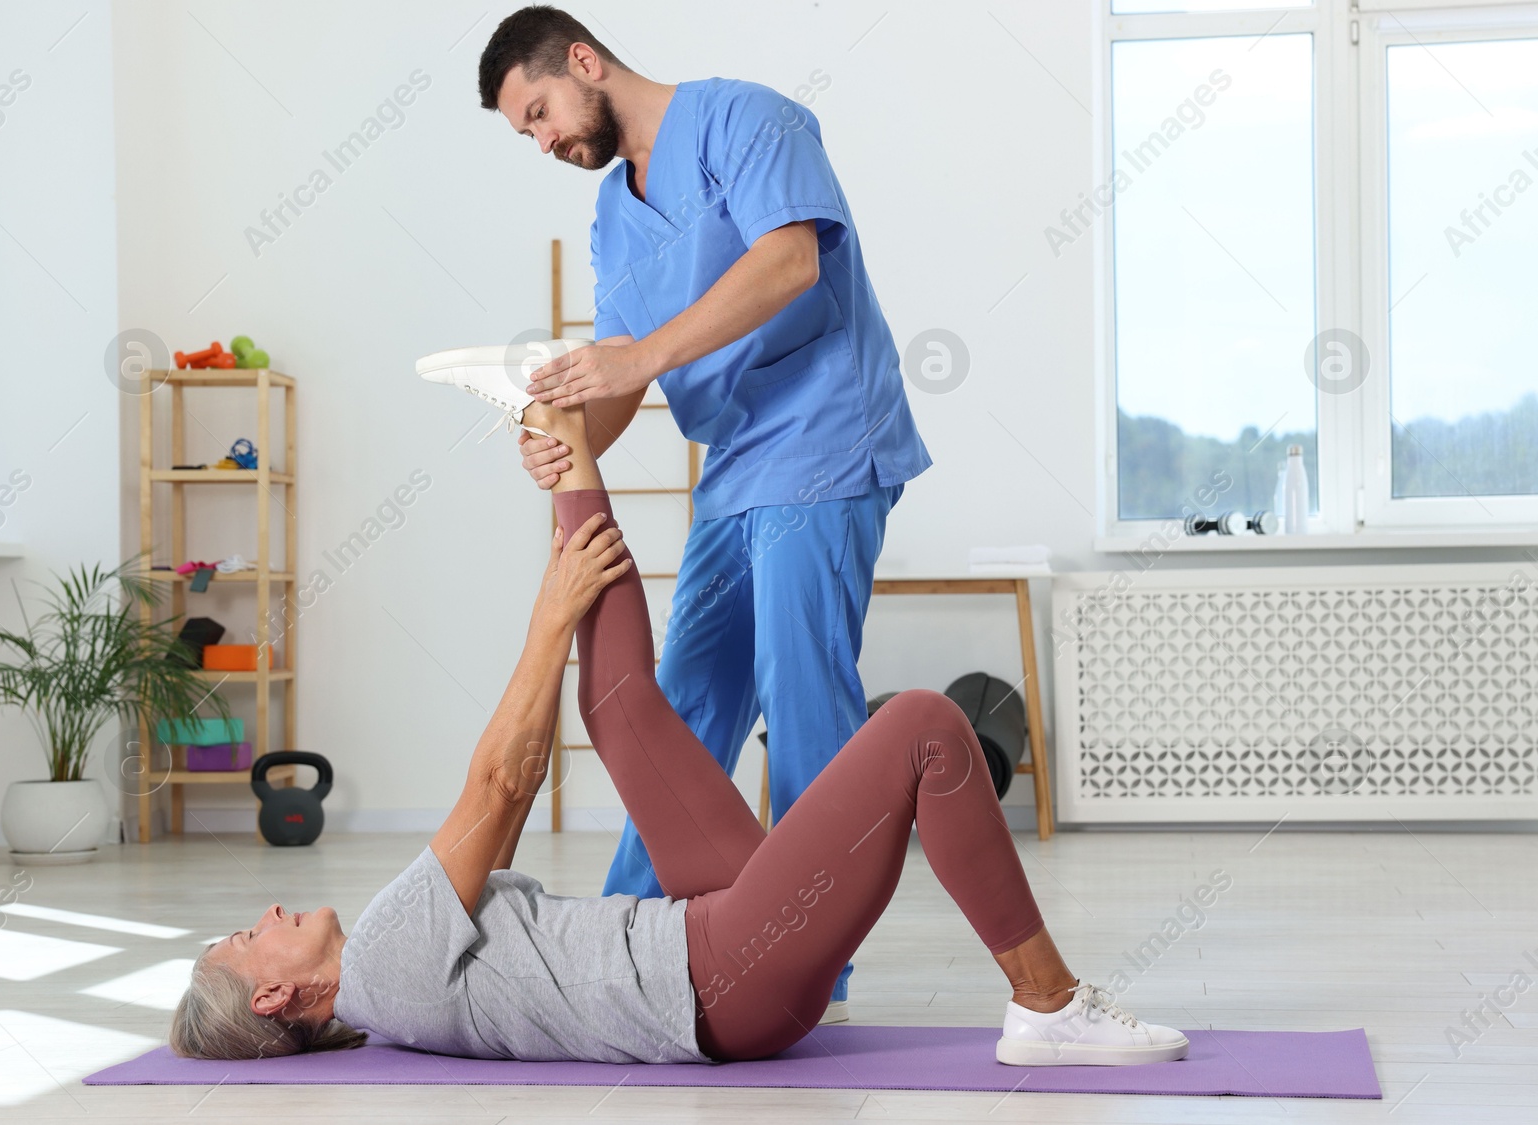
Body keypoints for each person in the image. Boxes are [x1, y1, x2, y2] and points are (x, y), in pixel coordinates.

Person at [171, 400, 1187, 1069]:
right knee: (924, 726)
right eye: (244, 936)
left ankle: (571, 451)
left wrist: (571, 469)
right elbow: (502, 787)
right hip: (720, 976)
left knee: (617, 710)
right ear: (275, 995)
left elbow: (533, 756)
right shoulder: (384, 960)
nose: (261, 911)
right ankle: (1048, 1006)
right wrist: (550, 612)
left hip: (708, 943)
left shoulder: (393, 990)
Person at [479, 4, 935, 1021]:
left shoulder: (746, 122)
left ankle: (818, 957)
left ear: (585, 62)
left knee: (799, 687)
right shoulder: (611, 211)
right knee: (678, 699)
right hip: (735, 463)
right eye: (528, 133)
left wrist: (635, 358)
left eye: (541, 110)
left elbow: (790, 260)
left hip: (824, 432)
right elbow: (619, 374)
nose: (543, 139)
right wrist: (568, 438)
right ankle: (628, 934)